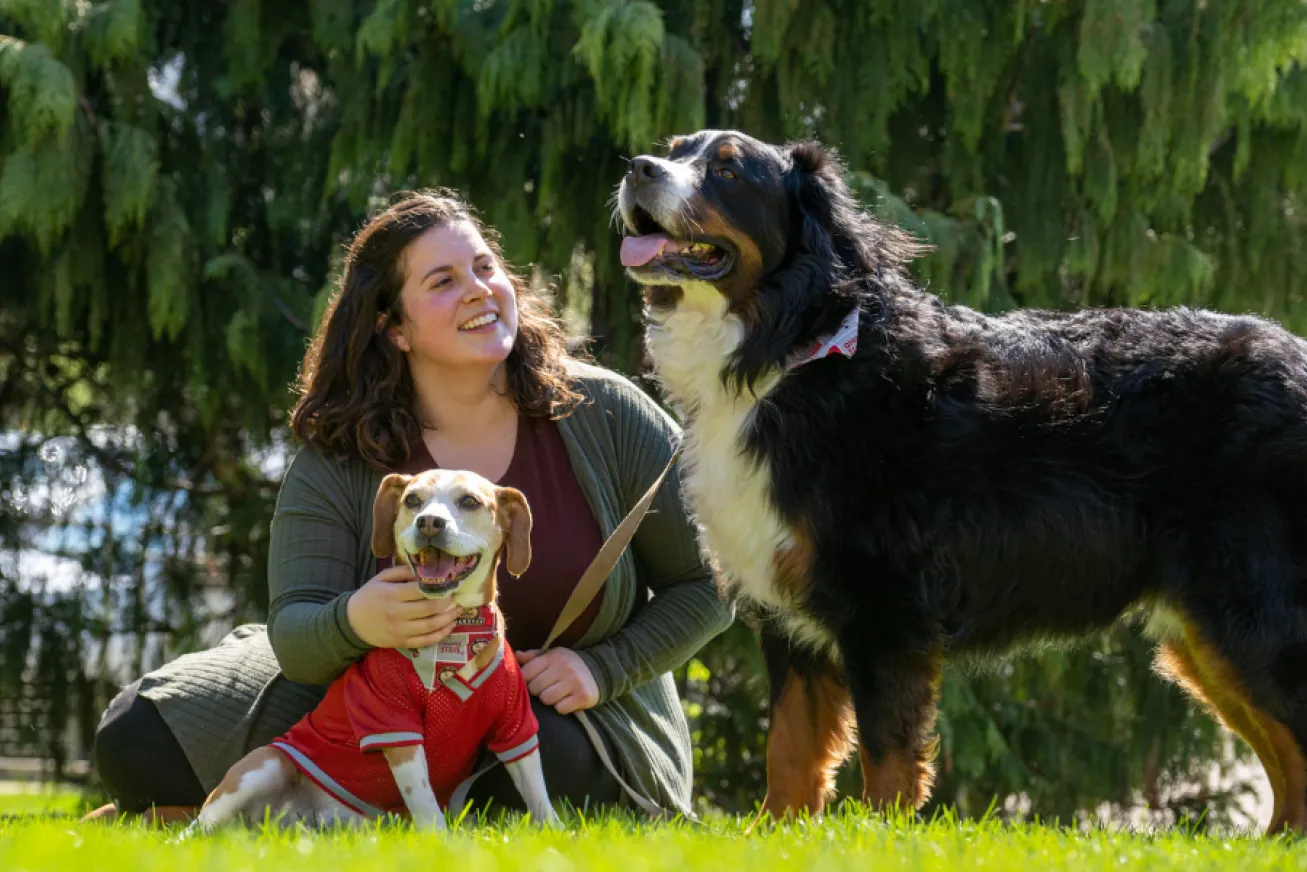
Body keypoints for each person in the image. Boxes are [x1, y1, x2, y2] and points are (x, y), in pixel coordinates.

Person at [86, 189, 734, 823]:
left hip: (561, 709)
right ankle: (236, 811)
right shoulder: (340, 452)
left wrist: (605, 667)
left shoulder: (605, 414)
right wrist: (358, 621)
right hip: (374, 700)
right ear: (393, 326)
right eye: (445, 281)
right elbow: (296, 633)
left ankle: (287, 817)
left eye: (485, 268)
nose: (480, 289)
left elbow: (712, 577)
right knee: (134, 738)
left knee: (530, 766)